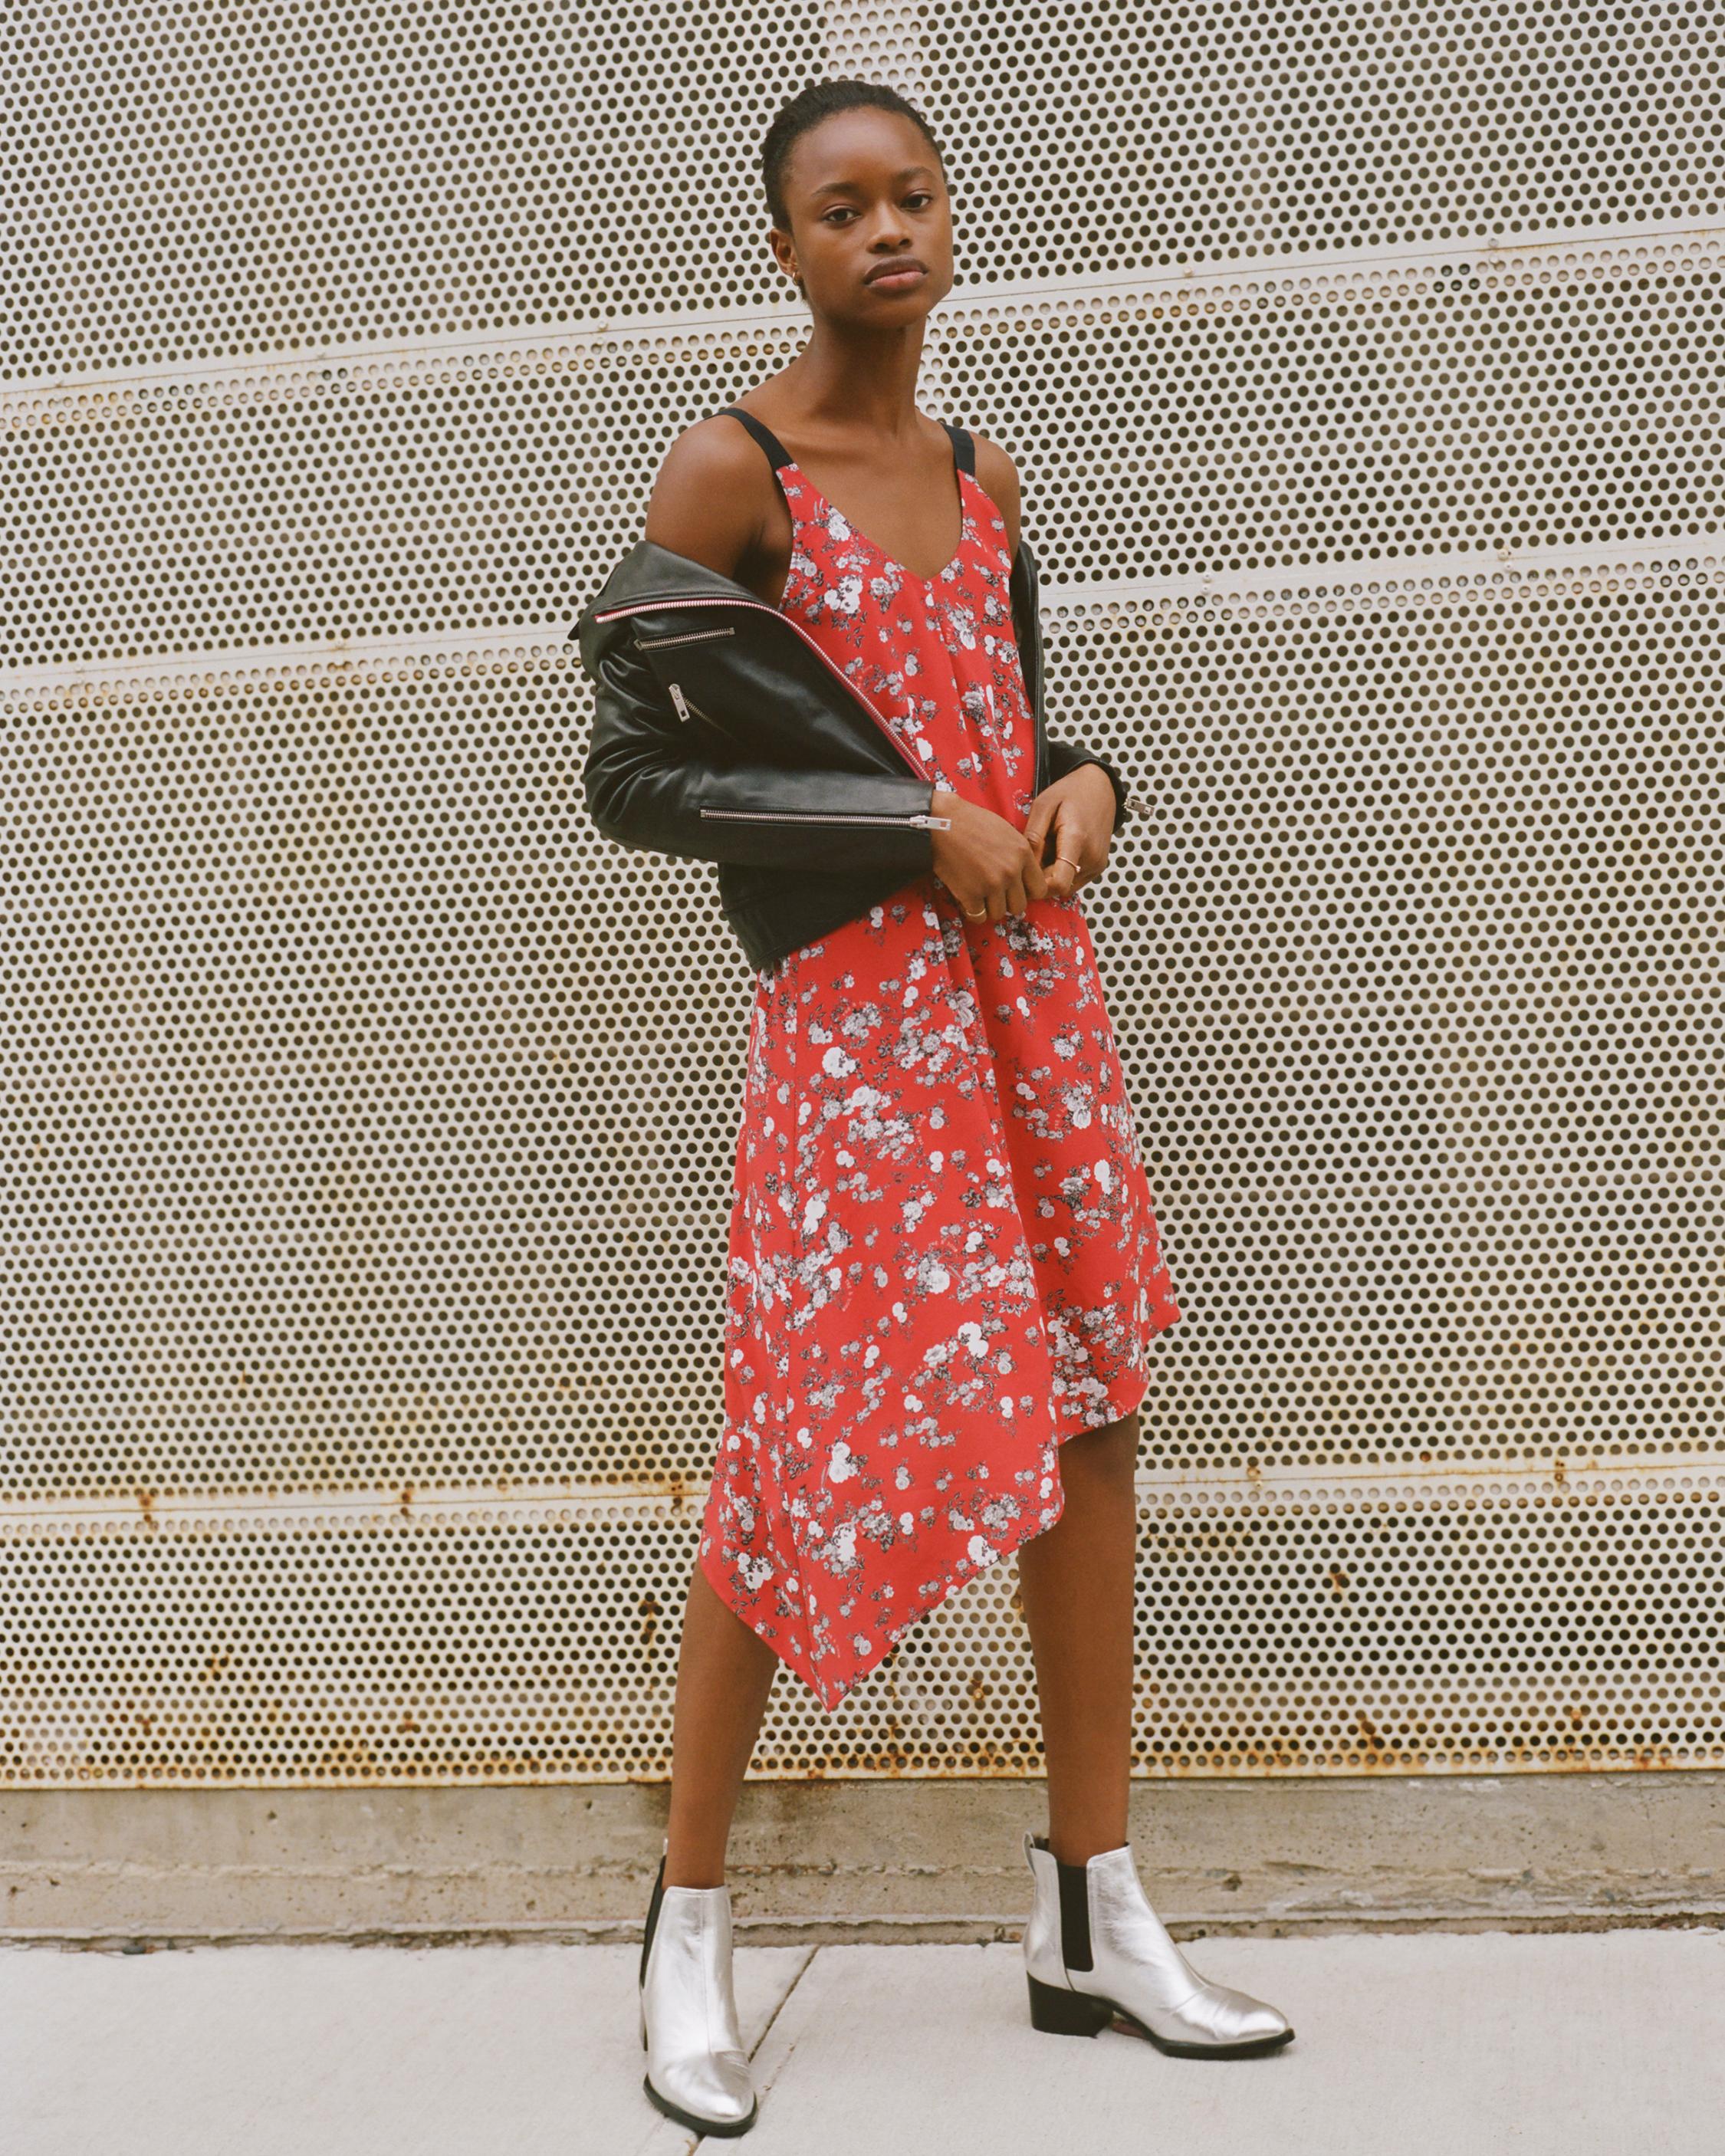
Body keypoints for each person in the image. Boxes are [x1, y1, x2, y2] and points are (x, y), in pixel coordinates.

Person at [586, 79, 1294, 2139]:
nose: (883, 231)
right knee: (791, 1439)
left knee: (1087, 1400)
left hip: (1028, 1000)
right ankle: (686, 1920)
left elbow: (1000, 723)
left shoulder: (983, 472)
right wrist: (914, 827)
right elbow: (632, 774)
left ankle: (1092, 1909)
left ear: (946, 219)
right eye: (838, 206)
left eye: (910, 197)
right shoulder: (732, 466)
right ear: (783, 243)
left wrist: (1088, 788)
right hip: (858, 1023)